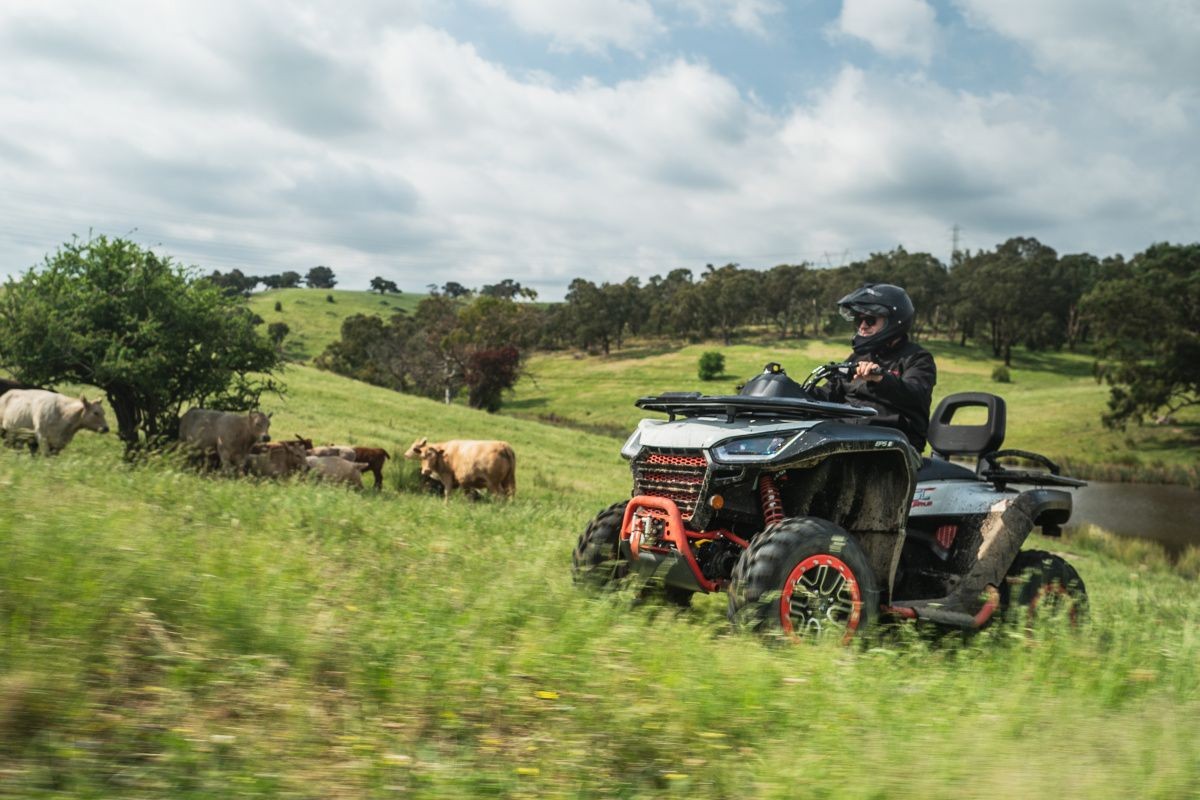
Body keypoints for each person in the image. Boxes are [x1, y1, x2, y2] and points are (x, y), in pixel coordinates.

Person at [811, 283, 936, 452]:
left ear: (894, 322)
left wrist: (881, 378)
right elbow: (828, 393)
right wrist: (787, 388)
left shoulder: (917, 358)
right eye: (858, 320)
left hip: (890, 447)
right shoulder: (858, 357)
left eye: (870, 320)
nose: (862, 326)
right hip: (846, 440)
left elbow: (916, 394)